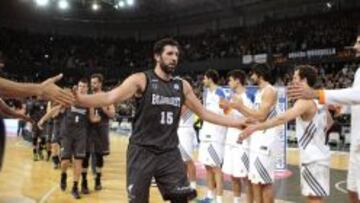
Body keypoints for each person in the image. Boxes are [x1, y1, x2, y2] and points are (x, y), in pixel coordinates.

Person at [74, 38, 246, 203]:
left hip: (169, 153)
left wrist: (237, 123)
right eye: (170, 54)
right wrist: (81, 100)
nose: (174, 58)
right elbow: (110, 96)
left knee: (181, 199)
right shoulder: (141, 79)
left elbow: (204, 113)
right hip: (142, 151)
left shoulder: (182, 86)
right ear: (157, 56)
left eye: (176, 55)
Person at [242, 65, 333, 203]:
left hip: (312, 157)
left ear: (304, 80)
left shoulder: (304, 101)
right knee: (316, 196)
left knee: (314, 198)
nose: (292, 80)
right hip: (320, 155)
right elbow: (330, 123)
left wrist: (256, 127)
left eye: (295, 77)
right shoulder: (319, 100)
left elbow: (282, 118)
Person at [287, 34, 360, 203]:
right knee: (352, 190)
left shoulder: (308, 100)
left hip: (314, 156)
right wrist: (344, 107)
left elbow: (357, 95)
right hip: (354, 142)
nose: (355, 46)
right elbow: (353, 99)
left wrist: (318, 94)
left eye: (358, 42)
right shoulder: (358, 72)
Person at [229, 63, 279, 203]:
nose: (251, 77)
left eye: (253, 74)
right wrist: (242, 113)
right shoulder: (258, 92)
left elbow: (262, 116)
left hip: (266, 140)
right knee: (255, 181)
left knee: (265, 183)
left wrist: (241, 106)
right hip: (256, 139)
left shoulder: (269, 90)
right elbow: (255, 116)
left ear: (260, 74)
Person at [221, 70, 253, 203]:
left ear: (237, 81)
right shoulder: (230, 97)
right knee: (233, 175)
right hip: (230, 140)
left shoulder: (248, 97)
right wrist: (225, 108)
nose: (228, 83)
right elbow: (226, 117)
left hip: (242, 141)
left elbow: (252, 120)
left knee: (244, 176)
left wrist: (239, 124)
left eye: (230, 80)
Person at [81, 73, 116, 194]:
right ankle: (84, 181)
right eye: (92, 83)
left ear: (100, 83)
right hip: (89, 130)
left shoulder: (107, 97)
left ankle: (98, 180)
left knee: (100, 157)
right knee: (85, 156)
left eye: (95, 83)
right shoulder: (88, 96)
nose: (93, 85)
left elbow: (112, 114)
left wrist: (103, 107)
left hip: (101, 130)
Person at [197, 69, 227, 203]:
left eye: (204, 78)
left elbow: (226, 112)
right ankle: (210, 196)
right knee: (207, 166)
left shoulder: (221, 92)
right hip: (206, 134)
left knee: (216, 168)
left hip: (216, 136)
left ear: (210, 78)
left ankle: (219, 199)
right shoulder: (207, 93)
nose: (203, 81)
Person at [59, 78, 91, 199]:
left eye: (84, 86)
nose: (82, 88)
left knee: (78, 161)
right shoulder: (70, 98)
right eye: (80, 86)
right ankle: (63, 175)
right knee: (65, 161)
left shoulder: (89, 102)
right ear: (77, 87)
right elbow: (59, 109)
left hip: (81, 135)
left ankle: (75, 187)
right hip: (67, 134)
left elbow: (92, 118)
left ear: (87, 89)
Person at [177, 76, 197, 190]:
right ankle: (183, 184)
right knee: (181, 161)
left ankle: (193, 187)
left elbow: (180, 112)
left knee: (188, 160)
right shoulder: (182, 97)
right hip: (180, 129)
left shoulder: (190, 98)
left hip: (185, 131)